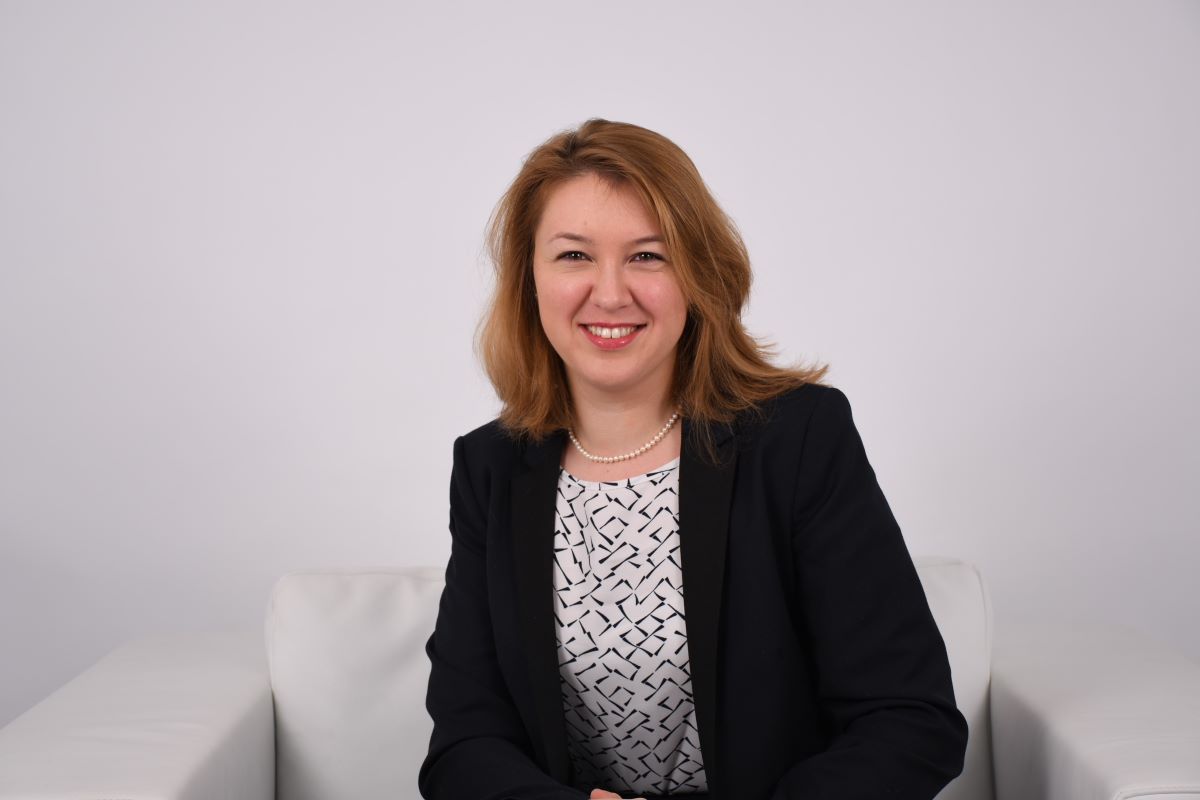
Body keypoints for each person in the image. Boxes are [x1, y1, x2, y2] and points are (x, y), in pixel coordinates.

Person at [418, 118, 967, 800]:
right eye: (574, 255)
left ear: (697, 273)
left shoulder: (798, 439)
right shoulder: (490, 468)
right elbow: (464, 746)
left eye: (648, 256)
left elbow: (909, 720)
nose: (610, 293)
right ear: (530, 278)